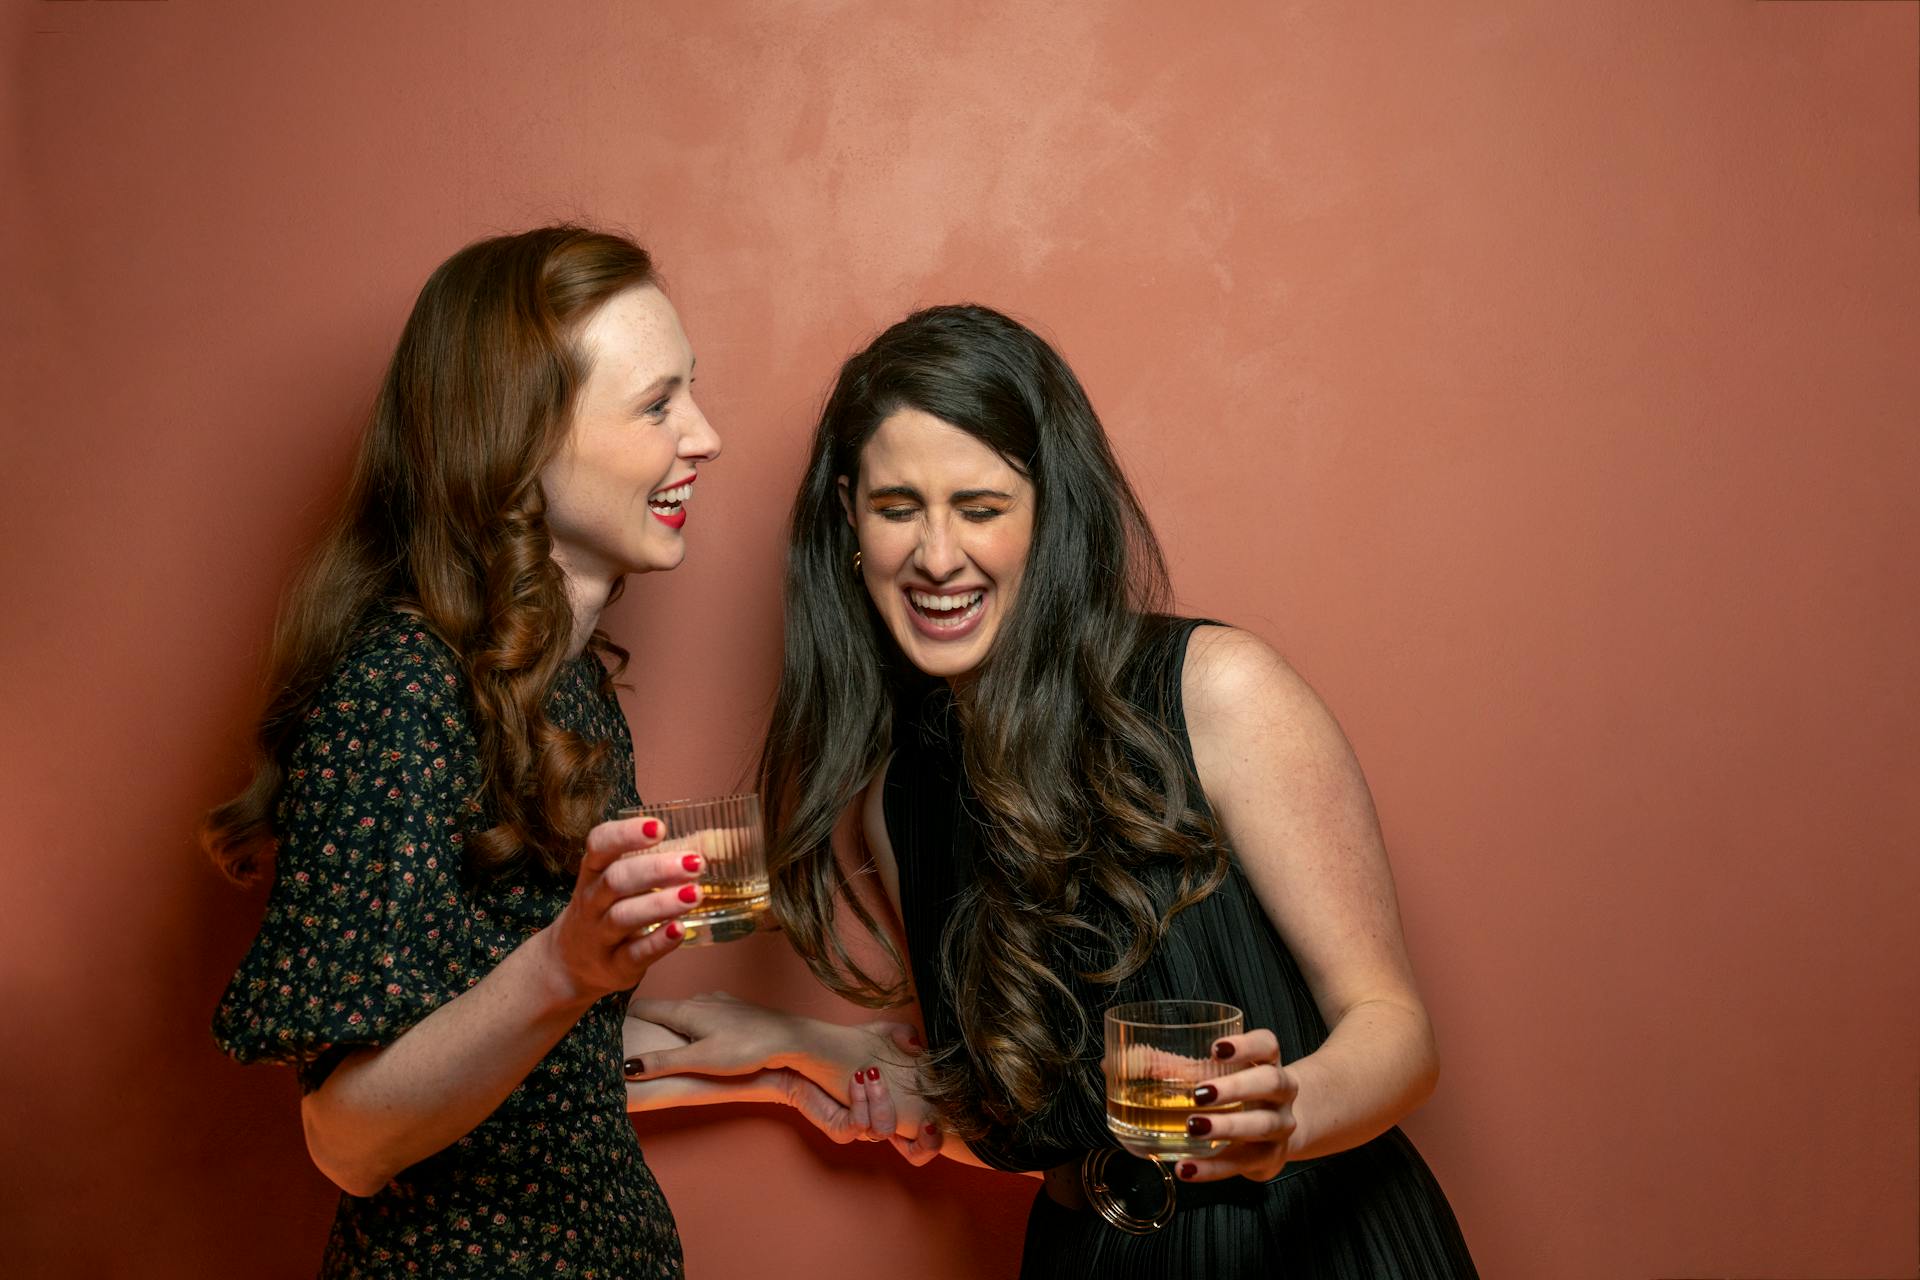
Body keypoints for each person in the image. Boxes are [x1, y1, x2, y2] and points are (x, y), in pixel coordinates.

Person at [627, 304, 1480, 1276]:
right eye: (898, 506)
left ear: (1049, 516)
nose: (937, 555)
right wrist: (782, 1048)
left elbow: (1397, 1033)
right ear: (847, 519)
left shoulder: (1218, 691)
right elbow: (1024, 1110)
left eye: (982, 507)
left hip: (1316, 1247)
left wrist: (1285, 1114)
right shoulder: (897, 799)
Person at [204, 225, 726, 1278]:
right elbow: (345, 1141)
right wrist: (563, 963)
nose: (705, 436)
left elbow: (555, 1065)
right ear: (522, 441)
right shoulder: (398, 691)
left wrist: (808, 1051)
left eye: (694, 392)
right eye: (657, 404)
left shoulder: (561, 682)